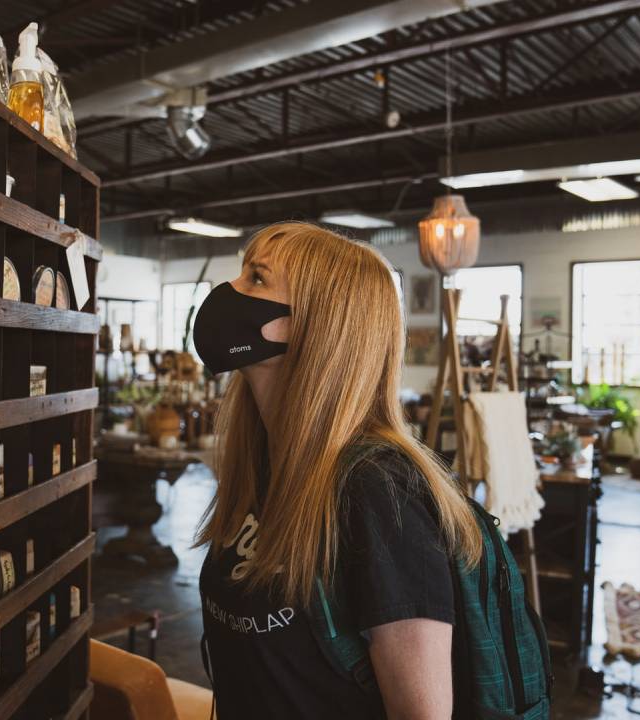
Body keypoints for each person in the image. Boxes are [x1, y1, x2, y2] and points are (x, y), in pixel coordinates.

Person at [191, 222, 484, 720]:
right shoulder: (265, 460)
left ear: (317, 324)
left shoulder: (379, 492)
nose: (230, 291)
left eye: (256, 278)